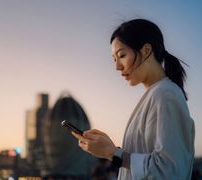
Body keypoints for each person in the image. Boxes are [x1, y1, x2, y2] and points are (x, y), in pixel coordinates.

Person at [72, 19, 195, 179]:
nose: (117, 66)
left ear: (146, 50)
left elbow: (169, 170)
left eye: (122, 55)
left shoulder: (166, 95)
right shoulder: (156, 94)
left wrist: (112, 153)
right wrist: (109, 149)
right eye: (114, 59)